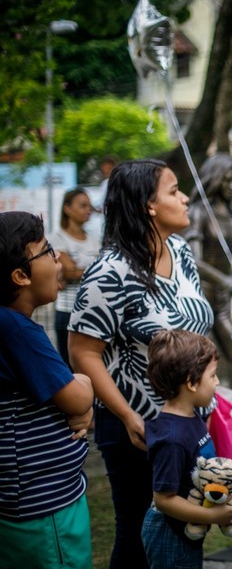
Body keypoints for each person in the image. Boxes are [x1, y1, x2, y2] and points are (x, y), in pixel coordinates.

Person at [68, 159, 214, 569]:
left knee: (185, 530)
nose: (184, 198)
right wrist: (129, 415)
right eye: (173, 191)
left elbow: (194, 327)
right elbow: (83, 352)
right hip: (137, 427)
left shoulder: (181, 251)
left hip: (187, 420)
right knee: (138, 535)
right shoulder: (109, 272)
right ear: (148, 206)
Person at [0, 211, 95, 569]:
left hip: (29, 500)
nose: (58, 260)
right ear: (21, 276)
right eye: (48, 251)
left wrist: (79, 407)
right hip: (44, 506)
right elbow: (77, 396)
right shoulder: (18, 331)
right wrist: (84, 389)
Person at [183, 154, 232, 463]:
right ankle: (209, 438)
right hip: (204, 299)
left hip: (223, 300)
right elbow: (195, 260)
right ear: (214, 178)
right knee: (205, 369)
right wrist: (227, 282)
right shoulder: (199, 212)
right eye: (227, 178)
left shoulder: (229, 211)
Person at [141, 329, 232, 569]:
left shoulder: (191, 416)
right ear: (191, 383)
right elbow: (164, 499)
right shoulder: (172, 439)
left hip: (184, 529)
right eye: (213, 376)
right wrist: (212, 517)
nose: (217, 383)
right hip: (169, 533)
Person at [50, 187, 100, 368]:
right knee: (68, 365)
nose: (88, 210)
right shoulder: (56, 238)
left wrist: (77, 270)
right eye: (83, 205)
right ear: (67, 208)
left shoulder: (94, 240)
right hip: (67, 311)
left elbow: (73, 272)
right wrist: (93, 269)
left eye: (89, 206)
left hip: (92, 310)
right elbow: (68, 271)